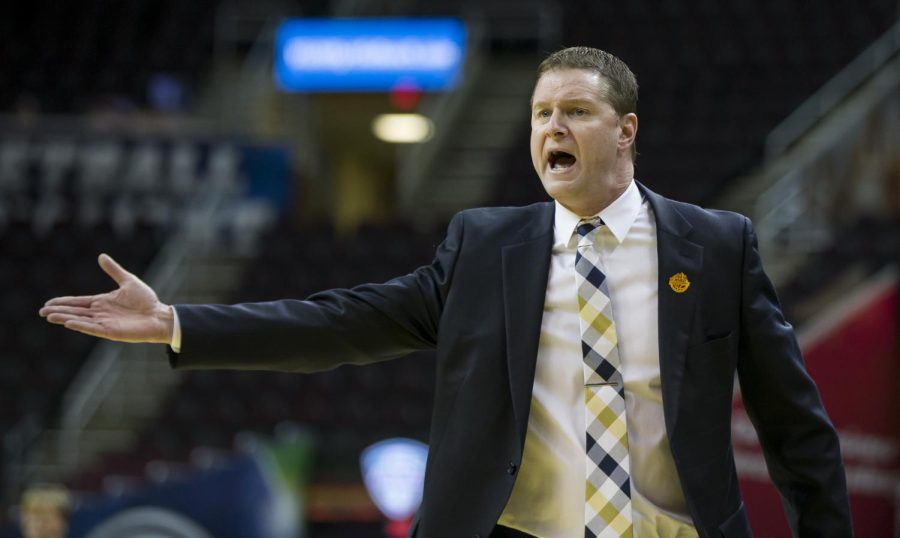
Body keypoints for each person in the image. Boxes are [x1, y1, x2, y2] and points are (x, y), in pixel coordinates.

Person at [40, 47, 851, 538]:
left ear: (627, 130)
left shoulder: (717, 246)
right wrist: (180, 322)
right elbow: (341, 321)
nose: (551, 130)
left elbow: (797, 429)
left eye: (575, 111)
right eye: (539, 115)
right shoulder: (487, 245)